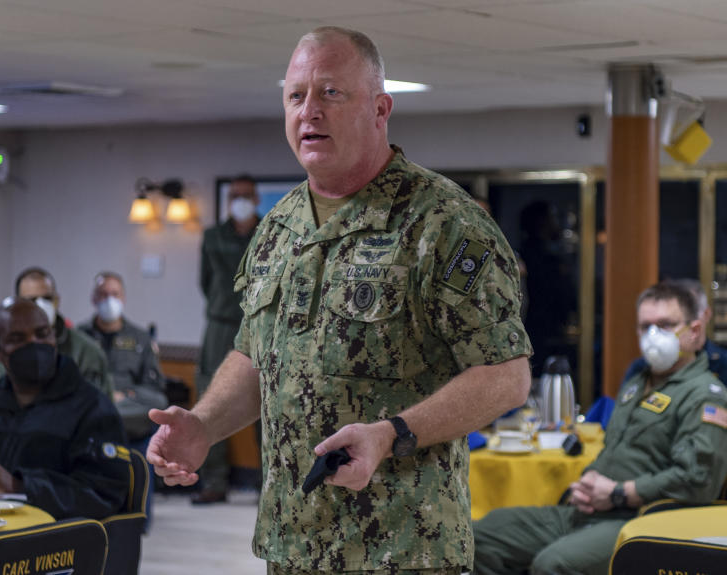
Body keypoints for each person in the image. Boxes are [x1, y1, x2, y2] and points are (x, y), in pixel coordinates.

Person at [147, 27, 532, 573]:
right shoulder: (277, 227)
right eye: (296, 95)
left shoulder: (443, 222)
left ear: (380, 109)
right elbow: (257, 356)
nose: (310, 112)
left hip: (402, 547)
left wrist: (391, 434)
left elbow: (504, 376)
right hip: (292, 545)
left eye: (331, 93)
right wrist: (205, 424)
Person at [474, 281, 727, 574]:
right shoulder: (637, 382)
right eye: (645, 327)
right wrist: (588, 482)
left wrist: (619, 492)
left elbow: (698, 481)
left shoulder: (705, 395)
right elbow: (618, 450)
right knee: (482, 536)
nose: (653, 336)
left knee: (552, 564)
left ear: (695, 331)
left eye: (666, 325)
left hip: (639, 518)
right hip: (588, 510)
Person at [0, 299, 130, 520]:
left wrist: (21, 486)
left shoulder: (92, 408)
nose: (34, 344)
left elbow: (104, 493)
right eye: (17, 339)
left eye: (42, 334)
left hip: (51, 543)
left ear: (54, 339)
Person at [193, 174, 261, 504]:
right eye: (235, 195)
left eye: (246, 195)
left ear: (256, 199)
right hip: (220, 326)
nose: (240, 200)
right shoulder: (212, 237)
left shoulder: (269, 232)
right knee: (211, 396)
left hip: (260, 324)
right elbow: (206, 283)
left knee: (268, 400)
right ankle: (214, 482)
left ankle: (269, 484)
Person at [0, 267, 113, 398]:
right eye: (31, 300)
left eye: (47, 298)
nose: (40, 305)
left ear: (57, 301)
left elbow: (100, 414)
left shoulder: (86, 351)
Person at [80, 272, 167, 449]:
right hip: (92, 402)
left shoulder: (140, 338)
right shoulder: (79, 336)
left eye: (115, 294)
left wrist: (126, 395)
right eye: (103, 294)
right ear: (94, 299)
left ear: (123, 298)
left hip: (128, 406)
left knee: (159, 402)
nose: (109, 300)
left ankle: (108, 414)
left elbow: (154, 387)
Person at [623, 278, 727, 384]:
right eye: (646, 326)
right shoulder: (640, 368)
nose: (654, 333)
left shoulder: (721, 363)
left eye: (666, 324)